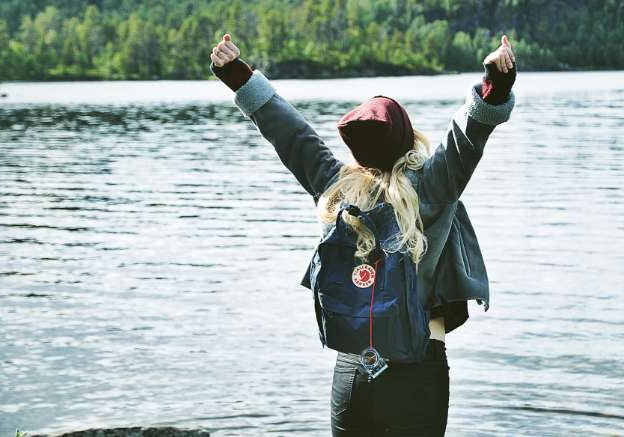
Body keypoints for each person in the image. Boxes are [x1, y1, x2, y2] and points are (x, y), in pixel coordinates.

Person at [209, 34, 517, 436]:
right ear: (408, 137)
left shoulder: (336, 187)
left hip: (353, 369)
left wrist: (237, 74)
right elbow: (469, 133)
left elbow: (290, 133)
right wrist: (496, 81)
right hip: (417, 369)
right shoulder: (434, 184)